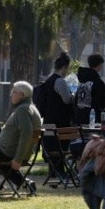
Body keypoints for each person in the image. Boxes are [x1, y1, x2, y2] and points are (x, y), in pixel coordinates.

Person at [0, 81, 43, 197]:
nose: (11, 94)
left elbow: (27, 133)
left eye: (13, 92)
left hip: (9, 152)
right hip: (10, 151)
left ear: (21, 94)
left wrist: (18, 159)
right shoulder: (29, 107)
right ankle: (25, 184)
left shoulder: (23, 110)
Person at [38, 52, 75, 182]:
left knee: (52, 148)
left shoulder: (48, 80)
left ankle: (53, 174)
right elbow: (67, 99)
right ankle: (60, 174)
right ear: (64, 67)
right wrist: (74, 96)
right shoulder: (60, 81)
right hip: (60, 121)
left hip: (48, 120)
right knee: (61, 147)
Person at [74, 53, 105, 125]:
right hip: (93, 121)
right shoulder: (98, 83)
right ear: (99, 65)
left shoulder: (82, 81)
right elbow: (103, 103)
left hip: (79, 118)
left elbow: (76, 99)